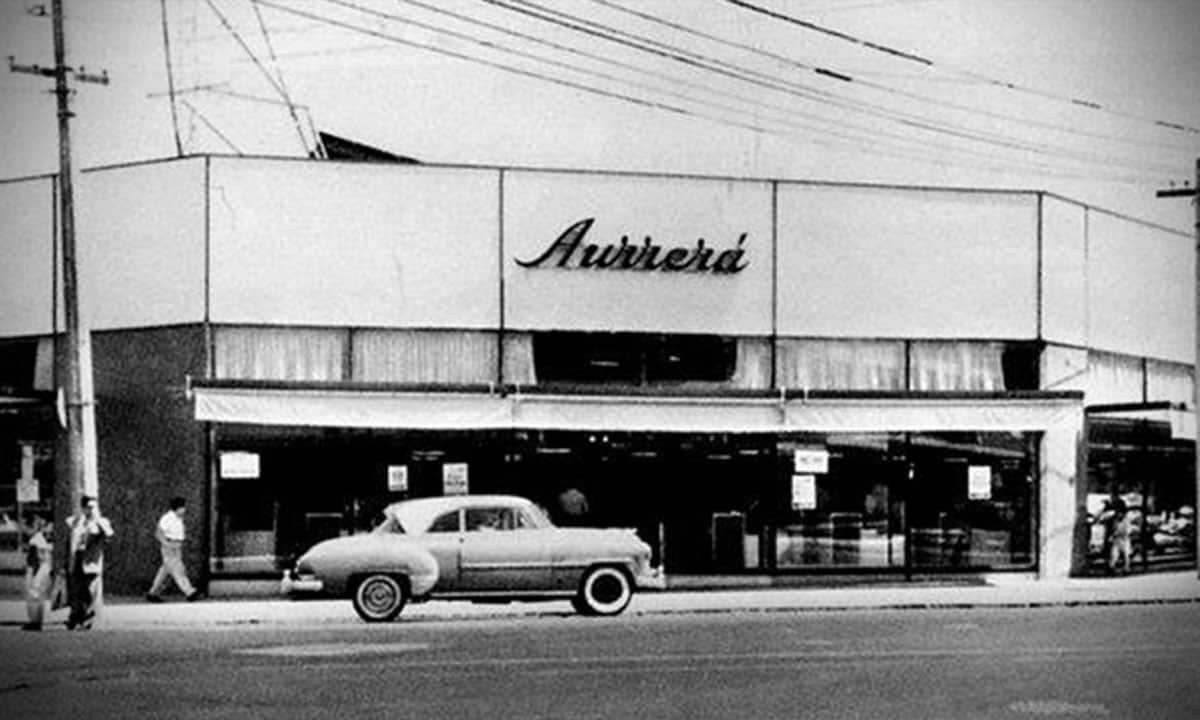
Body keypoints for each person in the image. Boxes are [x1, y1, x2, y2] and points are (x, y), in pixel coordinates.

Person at [66, 495, 115, 630]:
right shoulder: (75, 521)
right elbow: (69, 540)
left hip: (91, 561)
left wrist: (101, 525)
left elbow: (110, 537)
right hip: (76, 558)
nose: (92, 510)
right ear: (83, 508)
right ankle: (75, 616)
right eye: (89, 507)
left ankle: (88, 619)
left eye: (94, 507)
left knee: (90, 590)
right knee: (76, 589)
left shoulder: (101, 522)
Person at [146, 496, 201, 602]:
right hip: (170, 546)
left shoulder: (178, 518)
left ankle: (153, 593)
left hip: (177, 546)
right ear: (177, 508)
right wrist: (166, 544)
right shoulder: (168, 518)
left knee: (165, 572)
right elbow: (158, 532)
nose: (185, 510)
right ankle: (189, 592)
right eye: (183, 507)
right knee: (178, 570)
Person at [22, 511, 52, 631]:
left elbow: (35, 558)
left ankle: (34, 621)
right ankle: (38, 621)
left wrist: (31, 571)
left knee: (33, 595)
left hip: (38, 569)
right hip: (45, 568)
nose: (26, 530)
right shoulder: (41, 538)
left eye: (27, 527)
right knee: (40, 596)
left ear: (32, 527)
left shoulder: (34, 540)